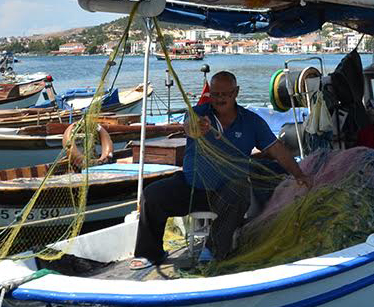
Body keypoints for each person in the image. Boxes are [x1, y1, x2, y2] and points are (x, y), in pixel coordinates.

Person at [132, 71, 310, 270]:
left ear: (236, 93)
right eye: (215, 94)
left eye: (225, 94)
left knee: (240, 189)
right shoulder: (199, 112)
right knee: (152, 194)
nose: (220, 99)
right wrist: (197, 127)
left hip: (227, 192)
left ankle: (213, 249)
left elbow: (276, 149)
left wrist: (299, 175)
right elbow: (190, 127)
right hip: (193, 187)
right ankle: (149, 253)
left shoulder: (252, 122)